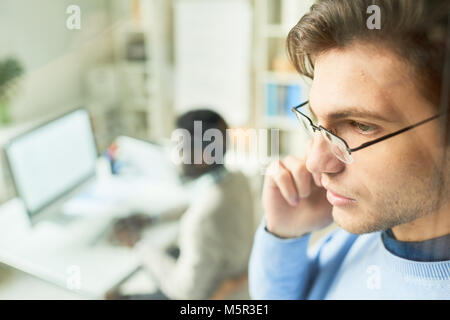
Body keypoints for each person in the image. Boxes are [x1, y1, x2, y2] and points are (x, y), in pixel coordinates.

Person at [249, 0, 450, 299]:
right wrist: (285, 235)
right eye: (316, 120)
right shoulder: (365, 234)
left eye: (360, 125)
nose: (315, 162)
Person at [113, 109, 254, 300]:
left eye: (180, 148)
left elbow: (184, 293)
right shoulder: (238, 180)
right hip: (232, 279)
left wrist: (137, 244)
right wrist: (154, 219)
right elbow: (200, 201)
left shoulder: (200, 222)